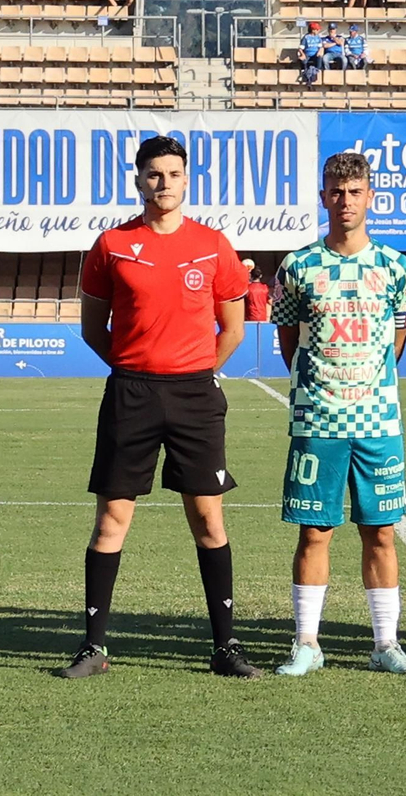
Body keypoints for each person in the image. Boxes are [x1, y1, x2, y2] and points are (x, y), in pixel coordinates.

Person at [58, 135, 260, 680]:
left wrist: (195, 371)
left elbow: (234, 329)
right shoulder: (112, 245)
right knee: (111, 519)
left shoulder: (212, 245)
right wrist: (133, 367)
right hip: (131, 394)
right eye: (153, 174)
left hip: (195, 394)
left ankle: (225, 647)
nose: (163, 182)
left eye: (173, 173)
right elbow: (91, 329)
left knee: (207, 517)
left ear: (187, 179)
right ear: (138, 179)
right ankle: (93, 648)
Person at [269, 152, 406, 677]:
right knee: (314, 532)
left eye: (354, 191)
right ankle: (307, 643)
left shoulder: (396, 267)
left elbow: (398, 340)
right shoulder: (297, 266)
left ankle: (385, 645)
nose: (345, 201)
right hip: (318, 422)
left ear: (370, 197)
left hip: (378, 423)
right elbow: (288, 342)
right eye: (336, 191)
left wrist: (367, 383)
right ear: (323, 196)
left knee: (380, 532)